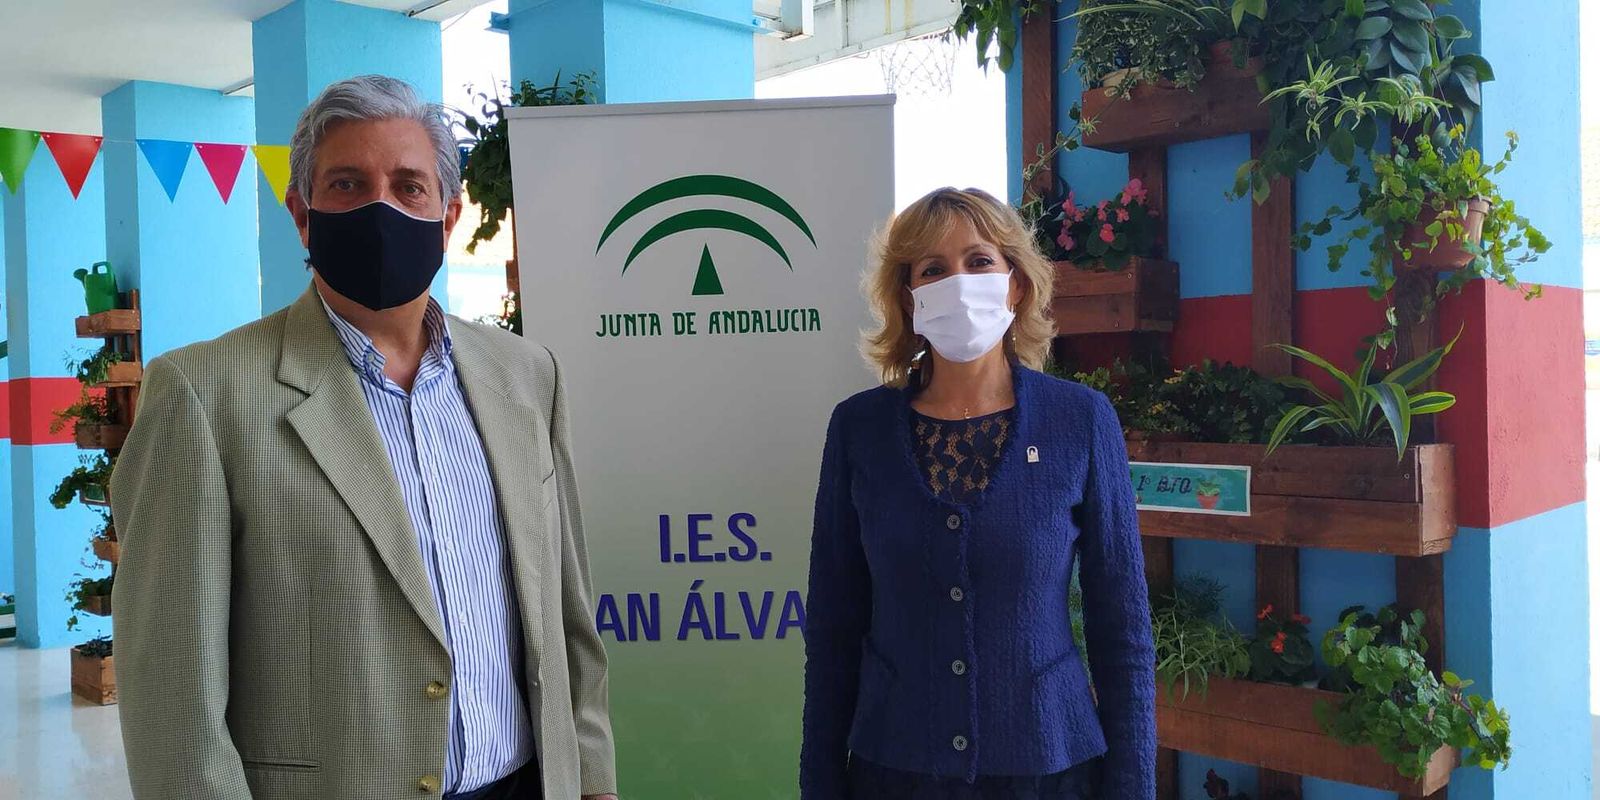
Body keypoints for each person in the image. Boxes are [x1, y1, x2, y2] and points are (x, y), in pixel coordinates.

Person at [110, 75, 618, 800]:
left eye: (409, 187)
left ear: (448, 215)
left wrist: (592, 777)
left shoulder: (525, 375)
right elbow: (172, 697)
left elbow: (566, 617)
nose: (381, 207)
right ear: (302, 214)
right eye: (347, 184)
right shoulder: (203, 395)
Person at [798, 187, 1156, 799]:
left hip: (1051, 770)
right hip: (895, 772)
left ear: (1016, 282)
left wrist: (1133, 787)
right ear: (908, 299)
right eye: (932, 269)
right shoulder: (859, 430)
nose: (957, 282)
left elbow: (1121, 631)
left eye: (979, 261)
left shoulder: (1081, 422)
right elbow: (833, 632)